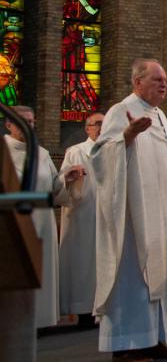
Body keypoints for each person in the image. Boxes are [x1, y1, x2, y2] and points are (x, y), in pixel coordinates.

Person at [91, 59, 167, 362]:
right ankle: (126, 346)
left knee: (156, 275)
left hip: (160, 211)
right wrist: (127, 137)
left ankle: (152, 338)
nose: (164, 84)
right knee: (133, 274)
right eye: (157, 79)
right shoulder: (123, 110)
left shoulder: (158, 115)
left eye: (166, 80)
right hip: (133, 213)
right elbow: (101, 155)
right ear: (137, 83)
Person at [4, 106, 62, 331]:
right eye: (23, 121)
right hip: (13, 221)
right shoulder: (3, 151)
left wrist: (69, 179)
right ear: (9, 124)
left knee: (42, 269)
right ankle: (16, 323)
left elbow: (55, 187)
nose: (29, 125)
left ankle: (41, 320)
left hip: (43, 220)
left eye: (31, 121)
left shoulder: (42, 153)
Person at [56, 112, 104, 329]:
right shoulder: (75, 152)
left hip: (105, 216)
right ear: (88, 129)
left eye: (105, 123)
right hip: (81, 215)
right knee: (83, 264)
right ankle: (84, 312)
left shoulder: (112, 149)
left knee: (102, 263)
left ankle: (102, 309)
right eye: (97, 124)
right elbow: (60, 182)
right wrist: (69, 177)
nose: (102, 128)